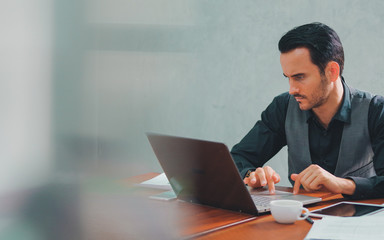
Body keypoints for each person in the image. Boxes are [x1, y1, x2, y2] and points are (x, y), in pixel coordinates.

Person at [231, 22, 384, 199]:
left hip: (358, 220)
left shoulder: (376, 110)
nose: (292, 89)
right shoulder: (283, 107)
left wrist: (339, 183)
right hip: (300, 220)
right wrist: (251, 176)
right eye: (288, 78)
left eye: (299, 77)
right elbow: (238, 158)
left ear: (332, 71)